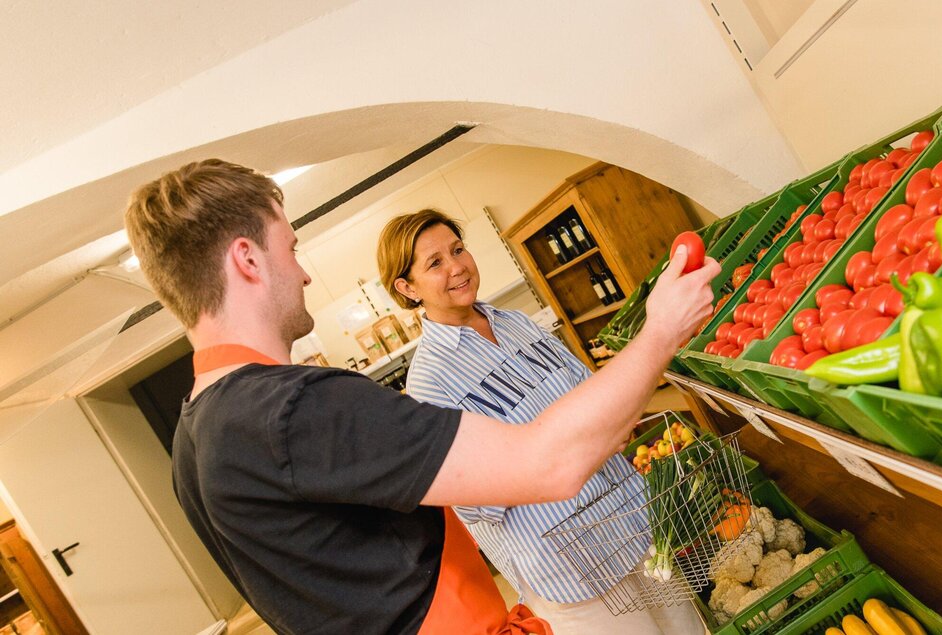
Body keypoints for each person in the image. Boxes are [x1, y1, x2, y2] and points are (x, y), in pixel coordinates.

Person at [122, 159, 719, 635]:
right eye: (292, 247)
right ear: (247, 259)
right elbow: (548, 464)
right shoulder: (299, 408)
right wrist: (663, 328)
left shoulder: (193, 442)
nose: (303, 274)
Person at [378, 209, 706, 635]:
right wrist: (571, 449)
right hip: (572, 571)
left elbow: (588, 392)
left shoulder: (514, 323)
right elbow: (474, 498)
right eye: (435, 263)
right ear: (407, 288)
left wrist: (612, 422)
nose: (457, 266)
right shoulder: (429, 382)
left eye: (458, 250)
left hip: (635, 528)